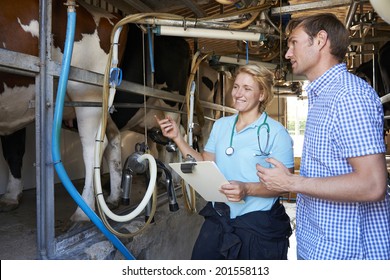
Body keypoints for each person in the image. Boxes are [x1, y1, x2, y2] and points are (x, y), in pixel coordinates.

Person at [256, 13, 390, 260]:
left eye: (293, 43)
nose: (287, 54)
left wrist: (291, 183)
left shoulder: (349, 96)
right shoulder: (324, 97)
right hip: (321, 247)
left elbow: (373, 185)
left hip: (347, 256)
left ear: (320, 40)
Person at [155, 64, 294, 260]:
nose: (238, 93)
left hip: (257, 224)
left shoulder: (276, 133)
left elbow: (285, 186)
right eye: (236, 86)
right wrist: (178, 139)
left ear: (262, 94)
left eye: (247, 88)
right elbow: (205, 163)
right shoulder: (221, 125)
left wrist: (247, 189)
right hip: (220, 217)